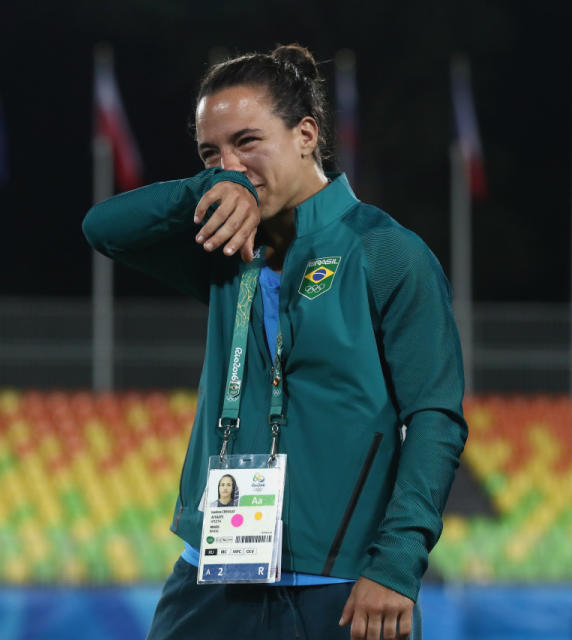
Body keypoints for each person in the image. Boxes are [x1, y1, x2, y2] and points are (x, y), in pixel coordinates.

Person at [83, 44, 467, 640]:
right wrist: (202, 188)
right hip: (213, 579)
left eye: (247, 142)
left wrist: (396, 564)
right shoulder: (220, 243)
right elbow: (103, 229)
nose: (230, 165)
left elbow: (435, 417)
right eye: (212, 152)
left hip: (341, 586)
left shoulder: (385, 253)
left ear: (307, 134)